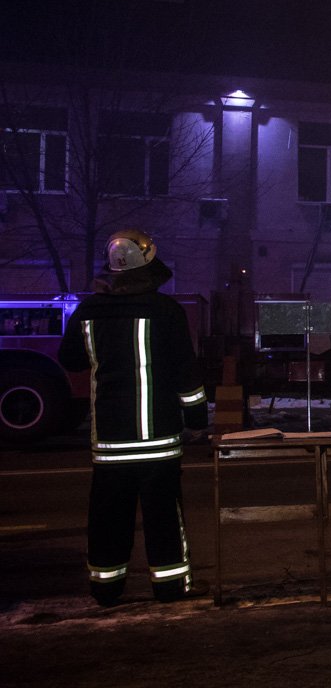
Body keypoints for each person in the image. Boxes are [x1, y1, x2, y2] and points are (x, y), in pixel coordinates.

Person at [57, 229, 209, 606]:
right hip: (157, 440)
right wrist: (196, 419)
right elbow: (185, 373)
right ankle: (170, 587)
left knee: (108, 516)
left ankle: (106, 588)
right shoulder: (166, 311)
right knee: (163, 518)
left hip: (109, 442)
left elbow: (70, 359)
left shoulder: (89, 311)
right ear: (149, 261)